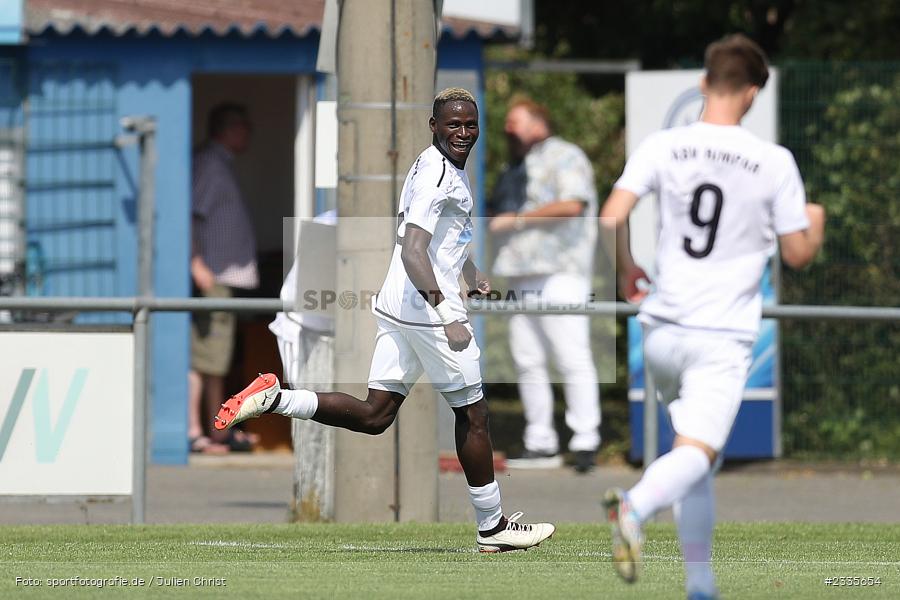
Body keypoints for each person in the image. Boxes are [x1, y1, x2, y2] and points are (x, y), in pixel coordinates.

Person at [214, 88, 555, 552]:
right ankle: (492, 527)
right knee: (474, 414)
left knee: (376, 415)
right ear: (433, 126)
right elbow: (415, 251)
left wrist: (470, 273)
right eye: (452, 124)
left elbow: (437, 242)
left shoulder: (431, 163)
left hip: (398, 305)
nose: (462, 133)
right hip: (427, 311)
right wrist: (446, 314)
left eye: (469, 124)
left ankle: (277, 398)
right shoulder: (439, 175)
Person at [599, 34, 825, 599]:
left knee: (693, 454)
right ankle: (634, 506)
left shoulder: (663, 145)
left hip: (660, 331)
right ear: (751, 94)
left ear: (704, 83)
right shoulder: (773, 162)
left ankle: (701, 584)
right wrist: (815, 221)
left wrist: (627, 265)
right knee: (696, 453)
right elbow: (797, 254)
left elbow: (611, 216)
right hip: (718, 336)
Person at [488, 99, 601, 473]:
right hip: (522, 274)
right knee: (528, 360)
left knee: (572, 357)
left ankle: (586, 441)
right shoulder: (517, 166)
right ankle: (541, 442)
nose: (508, 129)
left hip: (560, 272)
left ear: (538, 123)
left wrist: (517, 219)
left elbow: (573, 205)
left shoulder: (565, 155)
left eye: (514, 121)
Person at [189, 103, 259, 454]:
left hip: (223, 276)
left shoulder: (219, 165)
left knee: (217, 359)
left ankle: (217, 430)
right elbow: (189, 214)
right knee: (206, 360)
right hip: (212, 275)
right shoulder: (209, 165)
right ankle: (197, 432)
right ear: (227, 129)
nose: (249, 134)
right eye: (244, 126)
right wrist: (196, 263)